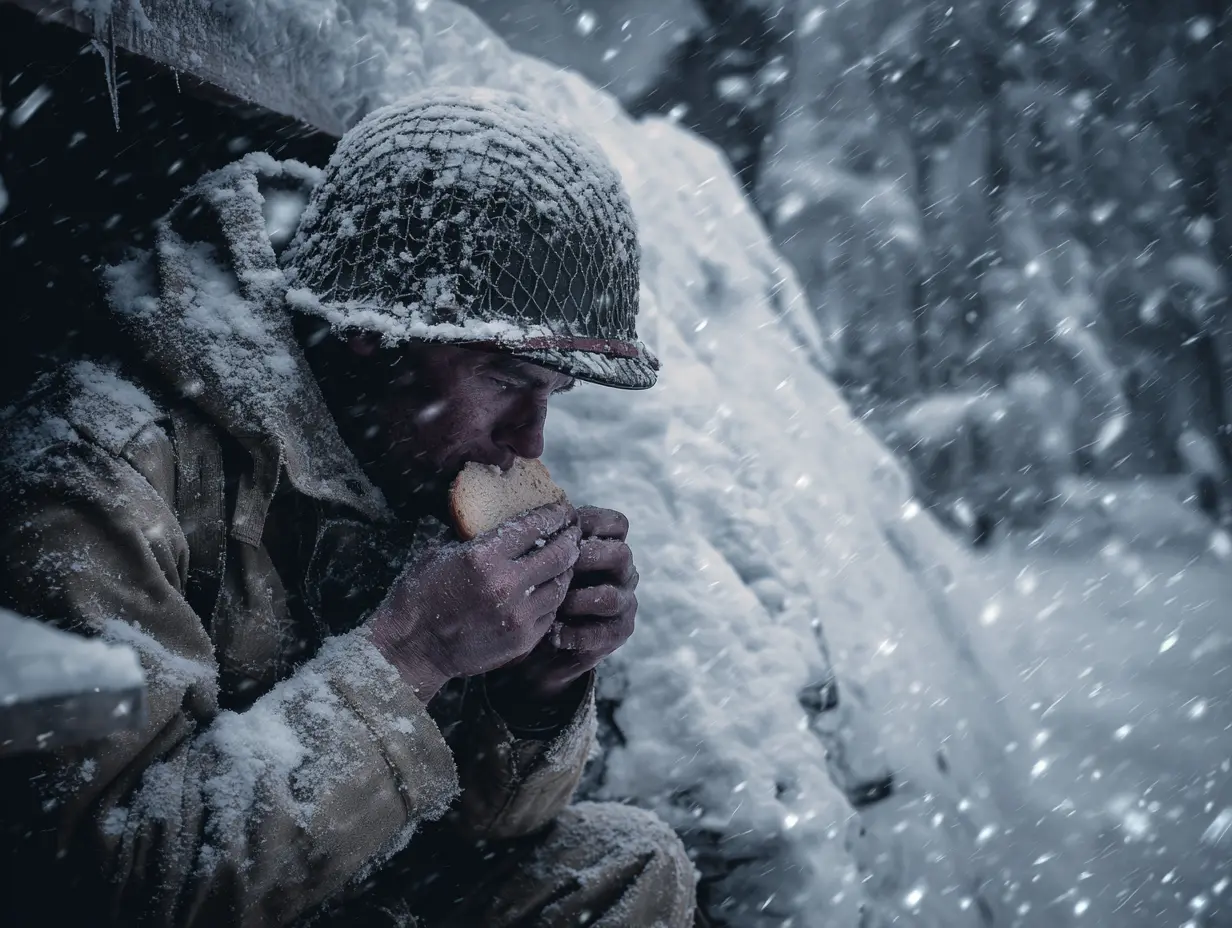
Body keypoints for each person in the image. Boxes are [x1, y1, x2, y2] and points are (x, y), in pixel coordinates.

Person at [0, 88, 698, 927]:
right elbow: (114, 883)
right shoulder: (95, 482)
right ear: (376, 333)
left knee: (627, 867)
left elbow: (480, 830)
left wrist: (534, 685)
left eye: (551, 392)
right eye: (505, 381)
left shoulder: (407, 451)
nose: (530, 441)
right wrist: (413, 651)